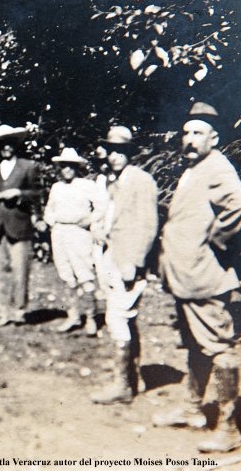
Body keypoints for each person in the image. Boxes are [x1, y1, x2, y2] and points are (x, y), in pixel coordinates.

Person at [153, 102, 241, 454]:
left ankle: (228, 429)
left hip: (205, 277)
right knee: (196, 345)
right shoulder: (195, 168)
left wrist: (217, 239)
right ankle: (193, 409)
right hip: (186, 277)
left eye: (199, 133)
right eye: (186, 132)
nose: (190, 139)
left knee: (218, 347)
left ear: (214, 137)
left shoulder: (217, 167)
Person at [89, 126, 159, 405]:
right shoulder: (111, 181)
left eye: (122, 151)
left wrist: (136, 261)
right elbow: (109, 217)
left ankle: (122, 385)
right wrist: (97, 227)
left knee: (117, 318)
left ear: (131, 153)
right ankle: (134, 378)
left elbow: (148, 225)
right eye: (112, 151)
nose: (115, 156)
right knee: (125, 316)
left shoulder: (141, 181)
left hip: (128, 260)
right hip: (111, 256)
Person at [0, 125, 41, 327]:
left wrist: (19, 194)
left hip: (20, 224)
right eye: (2, 144)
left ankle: (19, 311)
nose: (6, 147)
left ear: (16, 145)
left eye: (10, 143)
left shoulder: (28, 166)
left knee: (21, 268)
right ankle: (3, 311)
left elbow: (37, 194)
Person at [43, 147, 104, 336]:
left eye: (70, 166)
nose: (66, 170)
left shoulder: (86, 185)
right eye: (63, 166)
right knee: (67, 277)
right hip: (59, 232)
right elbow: (49, 210)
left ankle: (91, 318)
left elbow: (102, 206)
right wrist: (51, 222)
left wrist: (90, 220)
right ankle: (73, 316)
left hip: (78, 233)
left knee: (84, 275)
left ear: (77, 167)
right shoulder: (57, 187)